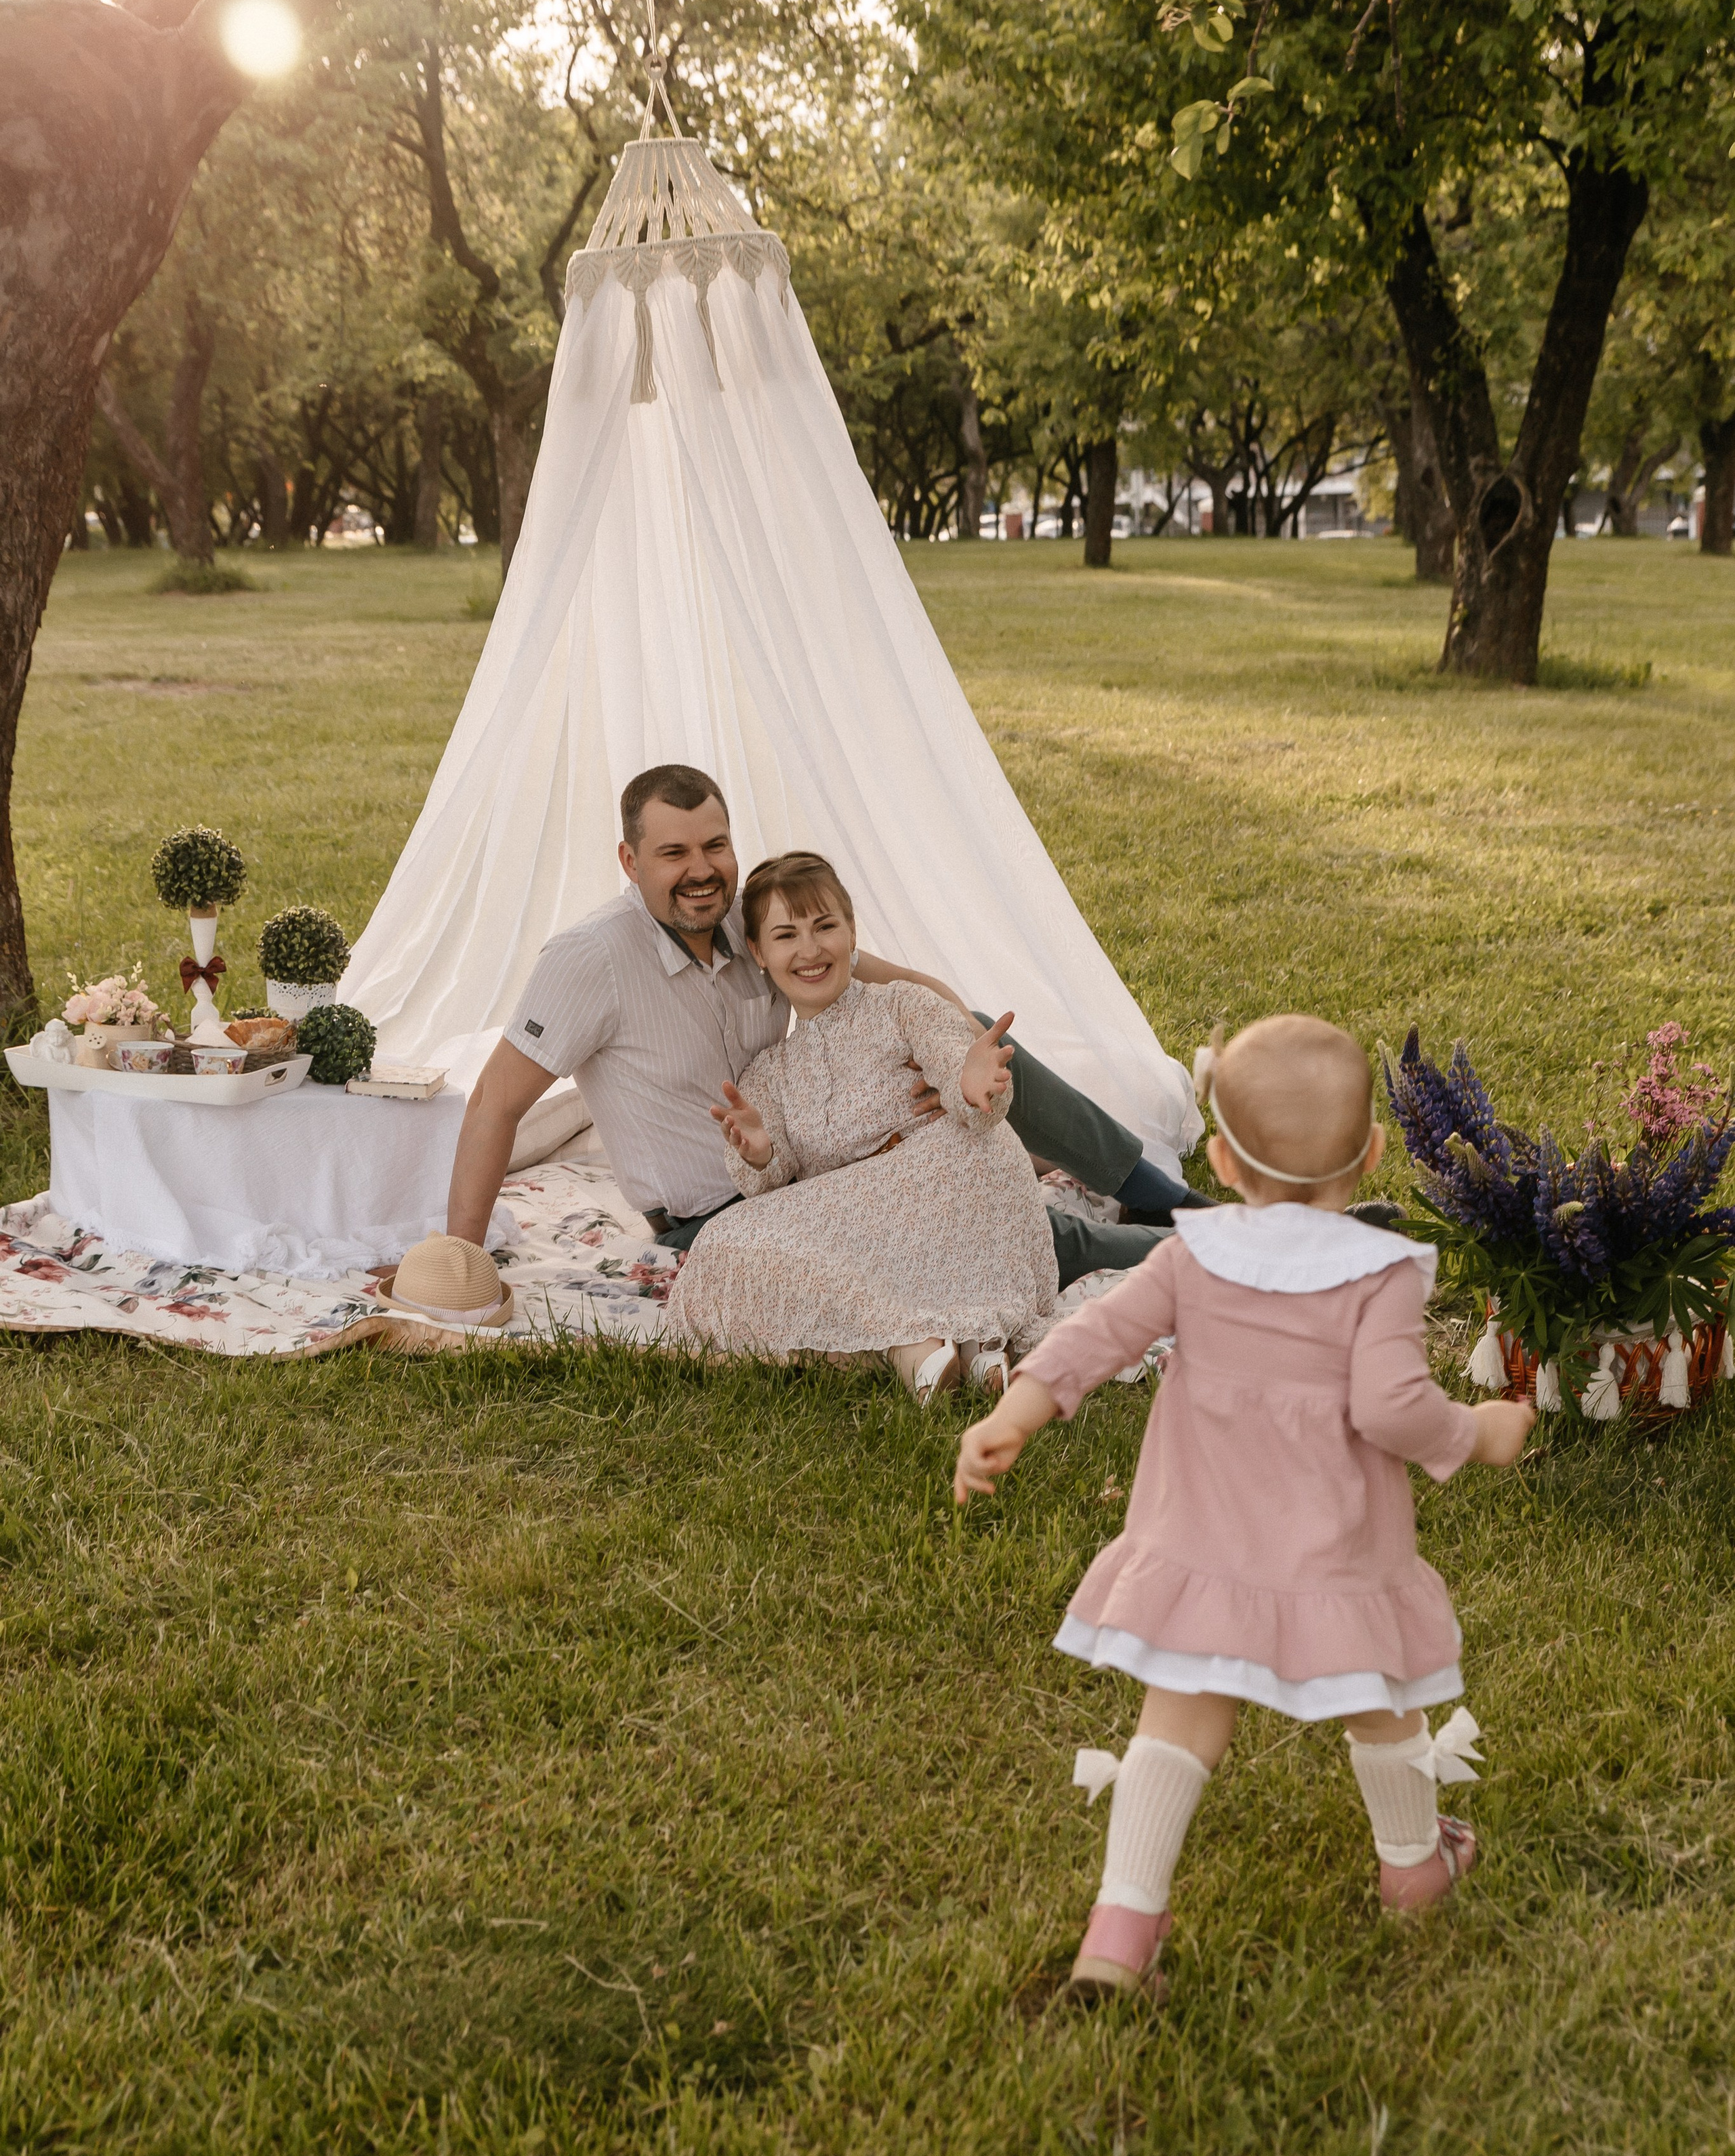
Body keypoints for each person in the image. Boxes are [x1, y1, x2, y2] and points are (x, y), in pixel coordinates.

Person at [953, 1012, 1536, 2002]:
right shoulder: (1382, 1275)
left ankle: (1122, 1927)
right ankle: (1411, 1866)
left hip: (1201, 1549)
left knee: (1176, 1723)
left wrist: (1020, 1407)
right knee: (1381, 1704)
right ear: (1376, 1155)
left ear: (1218, 1157)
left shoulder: (1191, 1256)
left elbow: (1101, 1333)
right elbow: (1390, 1406)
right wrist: (1478, 1432)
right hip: (1335, 1558)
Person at [445, 763, 1200, 1289]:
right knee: (981, 1229)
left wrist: (949, 1063)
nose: (700, 868)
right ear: (629, 859)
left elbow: (911, 989)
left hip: (818, 1162)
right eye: (673, 853)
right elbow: (495, 1105)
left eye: (715, 846)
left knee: (969, 1034)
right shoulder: (590, 959)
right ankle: (1200, 1252)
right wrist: (458, 1257)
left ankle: (1153, 1192)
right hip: (717, 1217)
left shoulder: (751, 924)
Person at [666, 852, 1057, 1398]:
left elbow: (960, 1073)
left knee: (972, 1151)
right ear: (758, 952)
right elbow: (770, 1182)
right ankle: (928, 1347)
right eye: (786, 935)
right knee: (723, 1242)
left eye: (825, 926)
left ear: (852, 933)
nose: (809, 950)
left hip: (948, 1183)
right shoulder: (768, 1074)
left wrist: (971, 1083)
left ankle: (956, 1340)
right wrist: (759, 1154)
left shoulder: (903, 1006)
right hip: (859, 1230)